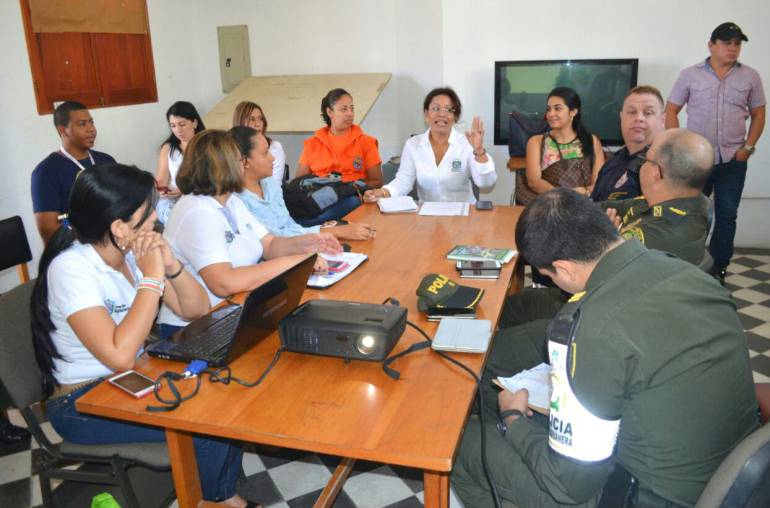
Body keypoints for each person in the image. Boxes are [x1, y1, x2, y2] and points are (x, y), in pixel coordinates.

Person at [452, 188, 758, 508]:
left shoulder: (588, 328)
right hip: (724, 477)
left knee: (462, 445)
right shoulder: (689, 274)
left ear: (565, 268)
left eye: (549, 276)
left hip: (637, 496)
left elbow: (568, 484)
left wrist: (514, 419)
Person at [29, 164, 250, 506]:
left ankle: (219, 493)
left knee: (227, 394)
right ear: (120, 226)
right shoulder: (71, 268)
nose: (157, 221)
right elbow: (117, 355)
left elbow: (196, 309)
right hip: (81, 400)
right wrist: (151, 277)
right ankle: (217, 500)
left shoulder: (128, 251)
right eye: (150, 213)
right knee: (206, 425)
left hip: (133, 376)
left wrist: (170, 264)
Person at [500, 128, 715, 328]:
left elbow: (593, 265)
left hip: (604, 316)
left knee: (504, 328)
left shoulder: (664, 232)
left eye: (645, 160)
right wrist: (609, 234)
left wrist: (606, 236)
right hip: (604, 297)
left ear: (657, 173)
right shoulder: (668, 203)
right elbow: (595, 208)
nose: (641, 165)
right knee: (509, 306)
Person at [158, 130, 341, 333]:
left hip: (234, 310)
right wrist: (296, 262)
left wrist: (308, 242)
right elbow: (224, 283)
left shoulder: (231, 200)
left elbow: (269, 245)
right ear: (221, 167)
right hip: (195, 328)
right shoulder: (196, 211)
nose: (243, 165)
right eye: (238, 160)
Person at [666, 22, 766, 284]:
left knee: (726, 214)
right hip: (697, 160)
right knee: (691, 212)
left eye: (737, 44)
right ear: (711, 45)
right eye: (726, 43)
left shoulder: (750, 76)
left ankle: (718, 268)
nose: (733, 48)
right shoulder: (690, 75)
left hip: (733, 160)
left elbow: (758, 114)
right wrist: (678, 144)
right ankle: (689, 261)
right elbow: (671, 109)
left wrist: (748, 148)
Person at [230, 126, 376, 241]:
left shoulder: (269, 183)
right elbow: (274, 239)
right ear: (244, 161)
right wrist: (332, 231)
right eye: (265, 153)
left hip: (298, 242)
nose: (272, 157)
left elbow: (290, 225)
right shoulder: (235, 201)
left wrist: (330, 228)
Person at [363, 87, 496, 203]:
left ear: (455, 116)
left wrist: (478, 150)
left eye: (449, 110)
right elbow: (404, 181)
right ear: (426, 114)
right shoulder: (413, 144)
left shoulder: (467, 144)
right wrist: (383, 192)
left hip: (463, 215)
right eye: (436, 108)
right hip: (427, 217)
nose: (442, 114)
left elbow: (486, 183)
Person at [294, 88, 383, 225]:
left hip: (348, 197)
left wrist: (352, 187)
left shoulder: (366, 142)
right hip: (318, 197)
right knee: (295, 206)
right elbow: (299, 181)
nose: (350, 114)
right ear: (330, 112)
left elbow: (377, 180)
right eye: (344, 109)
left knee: (351, 202)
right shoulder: (312, 143)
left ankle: (307, 225)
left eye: (352, 108)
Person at [31, 101, 116, 244]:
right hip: (76, 248)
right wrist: (85, 237)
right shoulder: (46, 172)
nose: (91, 129)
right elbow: (48, 228)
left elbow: (121, 202)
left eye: (91, 122)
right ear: (63, 131)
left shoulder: (106, 160)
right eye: (82, 124)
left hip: (112, 240)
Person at [518, 87, 604, 203]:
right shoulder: (537, 142)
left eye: (558, 108)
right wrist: (564, 197)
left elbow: (600, 183)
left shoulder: (592, 141)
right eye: (548, 109)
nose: (551, 114)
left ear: (573, 112)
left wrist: (585, 191)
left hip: (585, 207)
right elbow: (534, 182)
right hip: (550, 208)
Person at [590, 85, 666, 202]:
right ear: (621, 116)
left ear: (662, 120)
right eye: (631, 112)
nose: (639, 118)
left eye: (648, 113)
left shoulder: (666, 167)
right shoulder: (611, 163)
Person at [155, 101, 206, 223]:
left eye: (182, 124)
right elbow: (161, 180)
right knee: (165, 210)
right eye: (173, 126)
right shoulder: (168, 148)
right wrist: (165, 190)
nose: (178, 130)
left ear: (194, 122)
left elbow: (211, 178)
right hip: (173, 199)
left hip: (200, 194)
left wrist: (185, 191)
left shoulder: (207, 145)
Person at [232, 101, 286, 183]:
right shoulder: (228, 149)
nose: (258, 124)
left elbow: (275, 186)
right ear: (240, 122)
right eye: (252, 119)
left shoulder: (274, 148)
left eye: (260, 119)